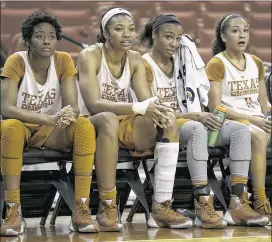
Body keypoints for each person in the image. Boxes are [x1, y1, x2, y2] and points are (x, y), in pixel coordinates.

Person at [140, 13, 269, 227]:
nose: (174, 43)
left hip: (191, 120)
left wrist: (201, 115)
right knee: (196, 128)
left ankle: (238, 203)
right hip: (159, 125)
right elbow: (151, 110)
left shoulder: (185, 61)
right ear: (155, 36)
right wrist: (195, 115)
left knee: (240, 131)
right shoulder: (144, 65)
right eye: (168, 37)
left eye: (178, 38)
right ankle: (202, 203)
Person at [77, 7, 193, 229]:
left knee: (166, 119)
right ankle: (107, 206)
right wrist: (139, 107)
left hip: (122, 122)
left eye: (131, 29)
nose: (127, 34)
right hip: (89, 123)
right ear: (106, 33)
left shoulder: (135, 58)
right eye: (119, 29)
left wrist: (156, 109)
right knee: (108, 119)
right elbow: (93, 104)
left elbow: (147, 101)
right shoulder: (90, 55)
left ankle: (161, 207)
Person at [0, 12, 98, 236]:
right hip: (20, 128)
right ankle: (13, 211)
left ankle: (81, 209)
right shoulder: (16, 60)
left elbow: (73, 105)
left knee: (83, 126)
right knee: (10, 127)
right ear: (28, 41)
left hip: (50, 130)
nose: (46, 41)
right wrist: (49, 118)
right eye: (39, 36)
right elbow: (6, 109)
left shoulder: (63, 60)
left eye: (52, 36)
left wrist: (66, 114)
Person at [206, 13, 271, 225]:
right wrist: (251, 120)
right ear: (224, 37)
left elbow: (264, 103)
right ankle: (260, 200)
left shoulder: (256, 62)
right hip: (228, 123)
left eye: (245, 31)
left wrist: (267, 113)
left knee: (260, 133)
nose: (241, 35)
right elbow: (215, 107)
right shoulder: (217, 64)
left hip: (256, 121)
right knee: (259, 135)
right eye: (235, 31)